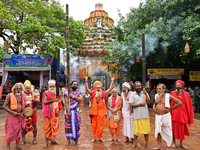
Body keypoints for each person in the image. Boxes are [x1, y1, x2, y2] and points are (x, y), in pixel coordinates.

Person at [85, 75, 114, 142]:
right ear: (95, 88)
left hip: (102, 111)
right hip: (94, 112)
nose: (98, 88)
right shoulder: (93, 93)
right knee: (94, 125)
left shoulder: (103, 93)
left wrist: (112, 81)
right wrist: (86, 81)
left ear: (101, 88)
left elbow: (110, 89)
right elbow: (87, 89)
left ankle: (100, 137)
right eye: (97, 87)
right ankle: (94, 137)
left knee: (101, 125)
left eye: (99, 87)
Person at [153, 83, 182, 150]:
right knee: (158, 131)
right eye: (158, 88)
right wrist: (154, 108)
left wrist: (170, 109)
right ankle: (159, 146)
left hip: (166, 116)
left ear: (164, 89)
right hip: (158, 116)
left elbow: (179, 103)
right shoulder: (156, 95)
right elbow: (155, 104)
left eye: (160, 88)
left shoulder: (168, 96)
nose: (159, 90)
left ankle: (168, 146)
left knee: (168, 131)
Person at [170, 80, 194, 149]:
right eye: (177, 85)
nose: (178, 86)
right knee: (173, 129)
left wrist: (190, 113)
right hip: (174, 114)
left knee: (182, 129)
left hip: (183, 114)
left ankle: (181, 143)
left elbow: (189, 104)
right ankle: (174, 142)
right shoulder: (172, 93)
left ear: (182, 86)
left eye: (179, 85)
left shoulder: (187, 94)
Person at [3, 83, 26, 150]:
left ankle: (17, 145)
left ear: (22, 90)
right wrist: (12, 112)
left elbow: (25, 104)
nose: (18, 90)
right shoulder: (10, 95)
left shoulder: (23, 96)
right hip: (12, 116)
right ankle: (8, 147)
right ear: (14, 89)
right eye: (16, 89)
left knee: (18, 131)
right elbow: (4, 106)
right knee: (10, 131)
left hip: (20, 115)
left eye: (20, 89)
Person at [129, 81, 151, 148]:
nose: (138, 87)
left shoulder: (144, 93)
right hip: (137, 115)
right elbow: (130, 104)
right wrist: (140, 104)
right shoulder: (132, 94)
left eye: (139, 86)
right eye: (137, 86)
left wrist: (146, 94)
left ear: (141, 87)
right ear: (135, 87)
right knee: (136, 131)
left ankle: (146, 143)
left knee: (146, 131)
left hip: (145, 115)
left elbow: (149, 102)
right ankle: (135, 143)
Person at [42, 79, 62, 148]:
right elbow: (45, 102)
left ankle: (53, 140)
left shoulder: (57, 94)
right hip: (48, 113)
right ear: (48, 87)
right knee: (47, 127)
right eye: (51, 86)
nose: (52, 87)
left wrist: (59, 111)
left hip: (55, 113)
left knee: (54, 127)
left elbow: (59, 103)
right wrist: (53, 100)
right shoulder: (46, 93)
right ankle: (46, 143)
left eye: (53, 86)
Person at [64, 81, 83, 145]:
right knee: (68, 126)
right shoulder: (66, 93)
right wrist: (68, 111)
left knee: (77, 125)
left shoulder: (78, 92)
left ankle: (76, 139)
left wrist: (73, 96)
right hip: (69, 112)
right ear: (71, 85)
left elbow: (80, 99)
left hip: (76, 111)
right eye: (74, 84)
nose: (75, 85)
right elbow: (66, 103)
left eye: (76, 84)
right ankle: (68, 140)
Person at [21, 80, 40, 145]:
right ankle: (23, 140)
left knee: (34, 125)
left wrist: (35, 100)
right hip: (24, 113)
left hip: (33, 112)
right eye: (26, 88)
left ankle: (35, 139)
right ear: (24, 88)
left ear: (31, 88)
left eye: (29, 87)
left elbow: (38, 101)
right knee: (23, 126)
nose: (28, 89)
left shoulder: (34, 94)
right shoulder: (22, 95)